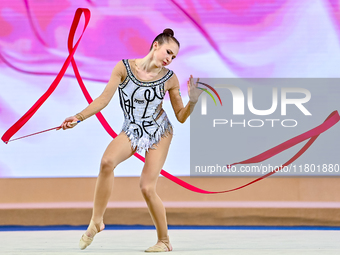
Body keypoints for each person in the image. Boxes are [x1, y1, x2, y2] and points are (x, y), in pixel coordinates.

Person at [60, 28, 202, 252]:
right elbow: (103, 99)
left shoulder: (170, 78)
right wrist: (78, 118)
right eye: (168, 52)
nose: (169, 58)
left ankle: (164, 241)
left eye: (173, 57)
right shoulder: (124, 67)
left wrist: (193, 102)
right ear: (155, 45)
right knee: (107, 162)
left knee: (146, 187)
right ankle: (97, 221)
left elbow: (181, 117)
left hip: (159, 132)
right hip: (133, 129)